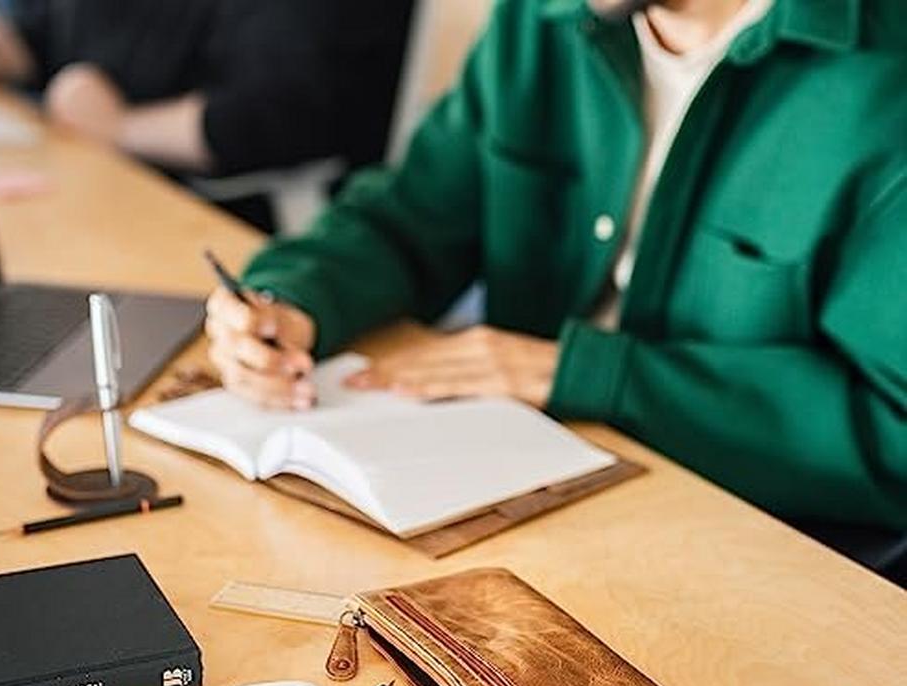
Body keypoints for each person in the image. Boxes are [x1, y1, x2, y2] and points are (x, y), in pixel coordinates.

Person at [204, 0, 907, 572]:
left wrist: (587, 374)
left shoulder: (882, 85)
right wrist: (293, 299)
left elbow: (895, 427)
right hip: (523, 498)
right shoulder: (539, 19)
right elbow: (412, 214)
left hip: (758, 554)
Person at [0, 1, 414, 190]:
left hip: (235, 215)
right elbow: (37, 37)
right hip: (90, 181)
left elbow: (280, 118)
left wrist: (120, 127)